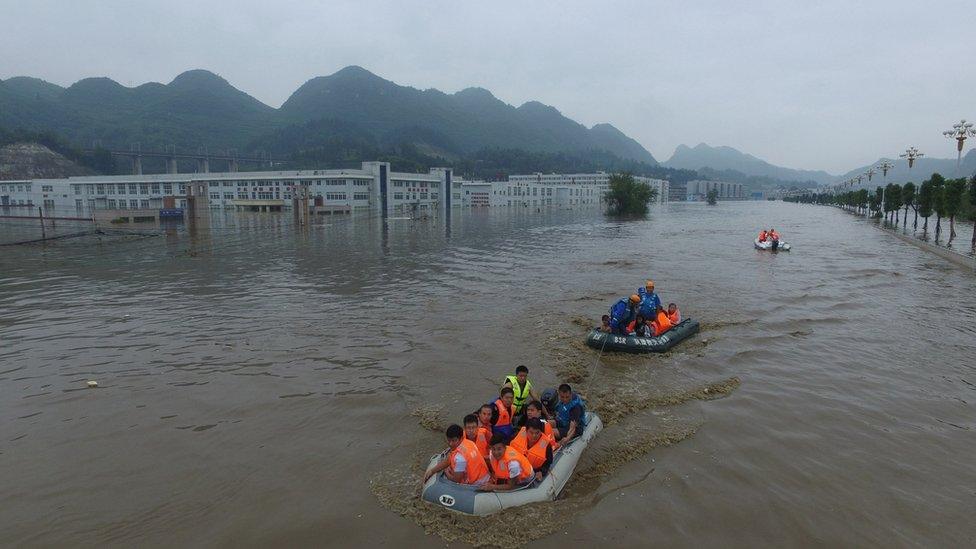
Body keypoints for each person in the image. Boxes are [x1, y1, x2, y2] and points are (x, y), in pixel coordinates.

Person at [423, 424, 491, 486]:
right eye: (449, 440)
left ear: (461, 438)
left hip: (478, 483)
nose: (450, 444)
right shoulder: (470, 443)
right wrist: (432, 470)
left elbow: (456, 480)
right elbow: (449, 459)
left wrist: (446, 472)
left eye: (454, 441)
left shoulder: (460, 458)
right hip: (485, 476)